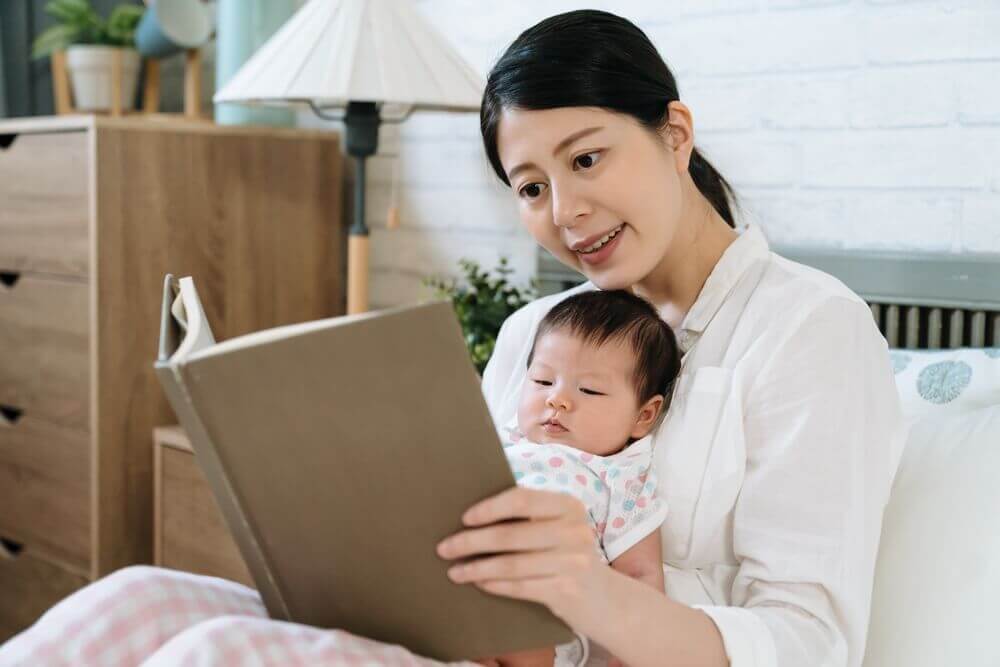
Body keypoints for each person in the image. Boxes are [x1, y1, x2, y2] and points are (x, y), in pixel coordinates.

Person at [0, 9, 904, 667]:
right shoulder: (529, 334)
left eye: (587, 158)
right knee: (135, 598)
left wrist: (587, 589)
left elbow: (810, 644)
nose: (566, 212)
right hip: (463, 644)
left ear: (673, 133)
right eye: (530, 186)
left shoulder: (809, 331)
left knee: (217, 654)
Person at [486, 289, 680, 667]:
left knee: (521, 637)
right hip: (464, 579)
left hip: (542, 607)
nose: (557, 400)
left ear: (643, 416)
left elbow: (639, 574)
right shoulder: (504, 443)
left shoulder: (620, 478)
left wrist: (631, 651)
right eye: (542, 381)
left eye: (588, 390)